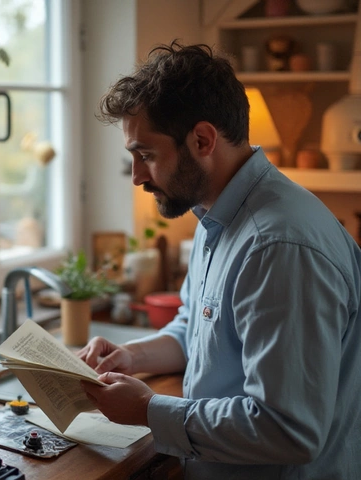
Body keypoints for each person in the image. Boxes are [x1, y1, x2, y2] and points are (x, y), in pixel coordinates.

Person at [78, 40, 361, 479]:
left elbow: (289, 430)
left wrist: (149, 409)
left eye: (146, 155)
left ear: (203, 139)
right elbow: (199, 327)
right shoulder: (217, 214)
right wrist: (132, 357)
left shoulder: (278, 247)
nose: (137, 177)